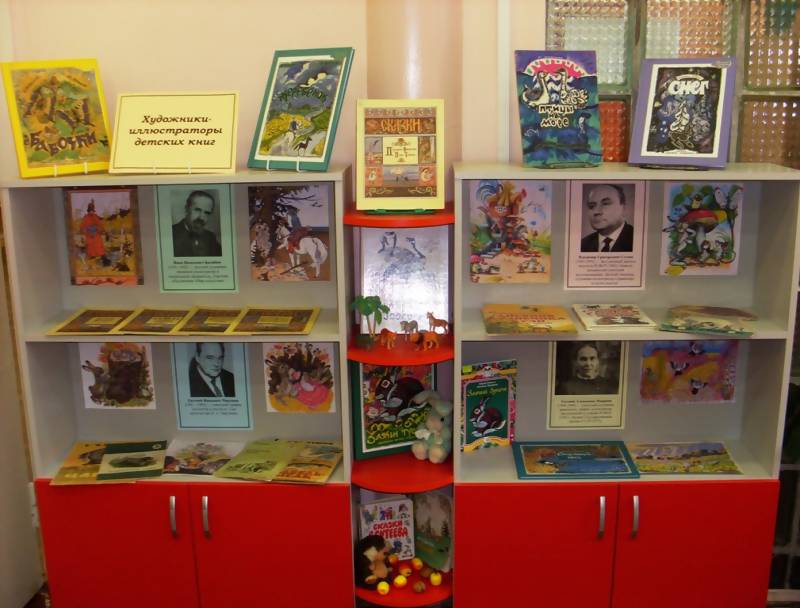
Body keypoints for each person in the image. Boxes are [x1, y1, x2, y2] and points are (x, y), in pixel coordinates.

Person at [580, 184, 634, 253]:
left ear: (624, 208)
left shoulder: (636, 239)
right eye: (591, 206)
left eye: (605, 204)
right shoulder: (583, 245)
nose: (596, 212)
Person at [172, 190, 222, 257]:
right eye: (197, 210)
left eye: (207, 213)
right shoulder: (171, 235)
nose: (202, 217)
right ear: (186, 209)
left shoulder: (210, 237)